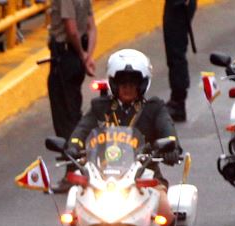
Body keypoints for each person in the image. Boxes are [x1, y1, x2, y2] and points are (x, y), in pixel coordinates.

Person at [70, 49, 178, 154]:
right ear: (114, 84)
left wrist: (172, 149)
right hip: (104, 168)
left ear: (142, 85)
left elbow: (168, 132)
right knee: (75, 170)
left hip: (145, 169)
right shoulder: (100, 107)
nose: (127, 88)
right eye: (122, 83)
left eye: (133, 83)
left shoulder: (154, 108)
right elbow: (81, 131)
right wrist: (73, 147)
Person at [45, 0, 95, 139]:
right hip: (77, 56)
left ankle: (73, 150)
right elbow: (91, 27)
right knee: (74, 105)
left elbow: (71, 30)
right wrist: (87, 56)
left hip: (65, 56)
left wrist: (81, 54)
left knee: (64, 111)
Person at [162, 0, 197, 121]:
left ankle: (178, 102)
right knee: (173, 50)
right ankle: (177, 100)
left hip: (180, 4)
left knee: (175, 51)